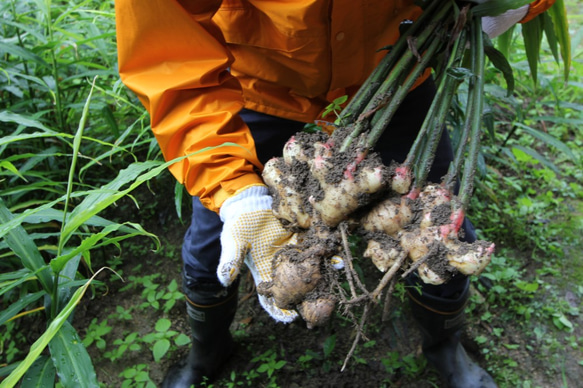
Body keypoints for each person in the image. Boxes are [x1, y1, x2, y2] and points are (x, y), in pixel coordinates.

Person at [114, 1, 555, 387]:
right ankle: (207, 352)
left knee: (439, 230)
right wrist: (232, 190)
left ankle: (445, 348)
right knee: (215, 240)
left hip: (394, 66)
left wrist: (506, 3)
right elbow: (168, 58)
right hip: (253, 82)